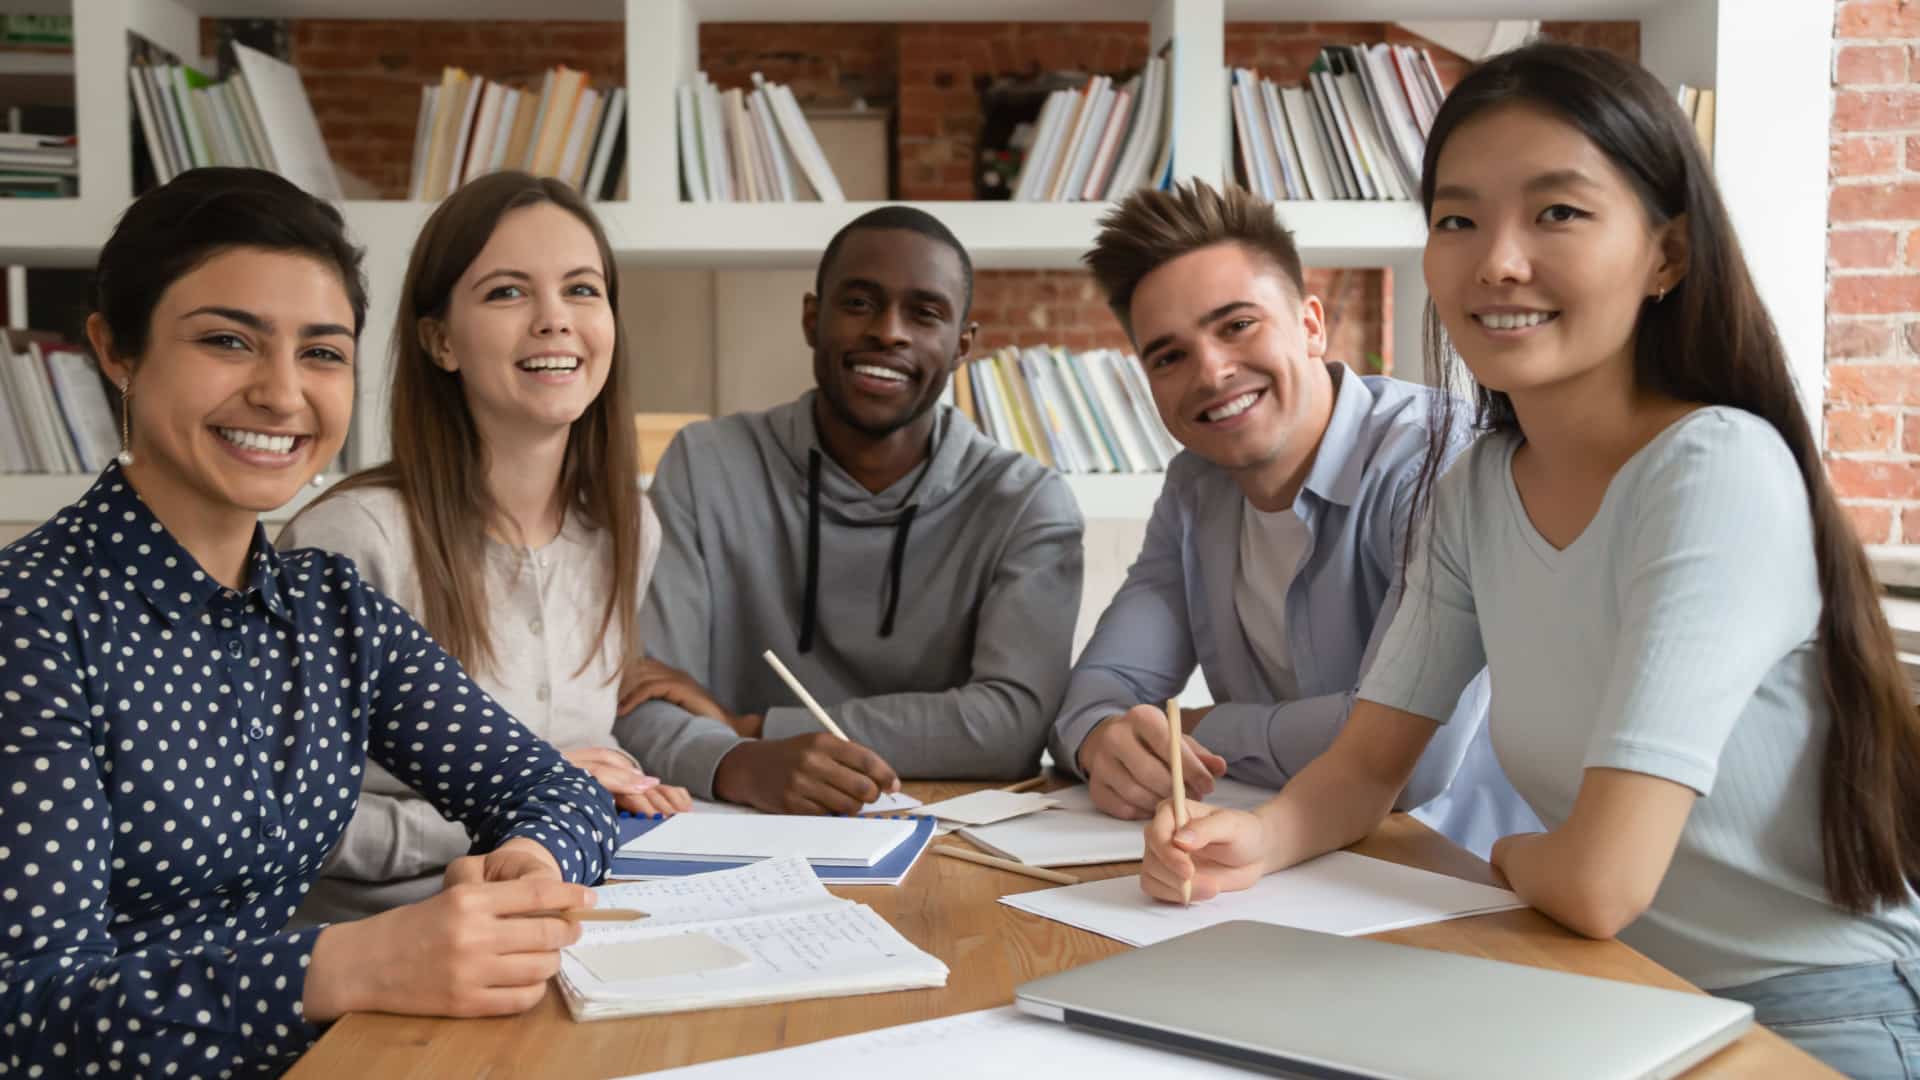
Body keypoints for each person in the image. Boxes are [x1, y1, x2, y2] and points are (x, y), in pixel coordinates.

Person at [1142, 44, 1920, 1076]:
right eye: (1457, 219)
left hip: (1807, 1018)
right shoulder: (1475, 489)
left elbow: (1599, 880)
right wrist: (1263, 837)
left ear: (1667, 255)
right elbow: (1371, 765)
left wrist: (1506, 855)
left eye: (1557, 212)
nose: (1495, 261)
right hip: (1607, 988)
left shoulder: (1715, 469)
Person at [0, 169, 617, 1076]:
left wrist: (527, 859)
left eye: (322, 353)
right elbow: (28, 1008)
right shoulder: (32, 618)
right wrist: (338, 965)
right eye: (227, 341)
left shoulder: (330, 608)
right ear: (116, 349)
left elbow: (556, 788)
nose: (283, 394)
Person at [1052, 179, 1536, 857]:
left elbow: (1412, 764)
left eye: (1237, 325)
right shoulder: (1196, 487)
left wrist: (1199, 727)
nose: (1212, 371)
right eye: (1169, 356)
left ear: (1311, 325)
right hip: (1284, 864)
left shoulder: (1433, 462)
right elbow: (1102, 690)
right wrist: (1103, 740)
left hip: (1461, 875)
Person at [280, 172, 688, 925]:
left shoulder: (629, 524)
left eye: (582, 290)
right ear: (439, 340)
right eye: (507, 293)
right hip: (383, 950)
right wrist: (542, 798)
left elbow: (591, 746)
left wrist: (612, 786)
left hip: (566, 916)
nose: (554, 321)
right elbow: (282, 826)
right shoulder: (350, 544)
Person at [616, 206, 1085, 813]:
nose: (888, 331)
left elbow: (1013, 725)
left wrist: (755, 727)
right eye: (859, 303)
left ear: (962, 346)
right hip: (740, 820)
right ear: (812, 319)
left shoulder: (1025, 502)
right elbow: (641, 701)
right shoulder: (705, 465)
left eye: (924, 313)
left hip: (956, 830)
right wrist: (740, 763)